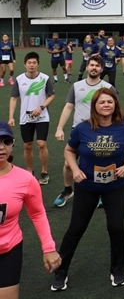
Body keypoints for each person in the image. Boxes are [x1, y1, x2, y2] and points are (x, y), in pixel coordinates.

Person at [52, 88, 124, 291]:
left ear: (115, 105)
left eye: (110, 102)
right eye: (102, 102)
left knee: (116, 228)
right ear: (94, 105)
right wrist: (74, 169)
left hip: (115, 187)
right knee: (76, 229)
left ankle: (118, 270)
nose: (106, 105)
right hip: (87, 186)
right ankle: (61, 271)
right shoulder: (82, 129)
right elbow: (69, 150)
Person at [0, 121, 62, 298]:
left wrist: (49, 247)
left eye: (6, 141)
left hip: (7, 250)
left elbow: (37, 213)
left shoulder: (25, 179)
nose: (1, 147)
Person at [52, 56, 115, 209]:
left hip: (101, 131)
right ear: (87, 67)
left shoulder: (107, 88)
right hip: (79, 130)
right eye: (91, 65)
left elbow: (114, 111)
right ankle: (67, 190)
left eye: (97, 66)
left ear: (101, 69)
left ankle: (101, 193)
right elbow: (68, 107)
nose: (94, 68)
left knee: (101, 164)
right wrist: (59, 128)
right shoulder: (76, 86)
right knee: (68, 164)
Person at [8, 52, 55, 185]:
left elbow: (51, 96)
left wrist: (41, 107)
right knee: (27, 146)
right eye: (29, 63)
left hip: (42, 116)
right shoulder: (19, 79)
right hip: (25, 117)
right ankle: (29, 173)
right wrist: (11, 117)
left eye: (34, 63)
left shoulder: (45, 78)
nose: (32, 65)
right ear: (25, 64)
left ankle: (44, 172)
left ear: (38, 64)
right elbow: (13, 98)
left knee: (41, 144)